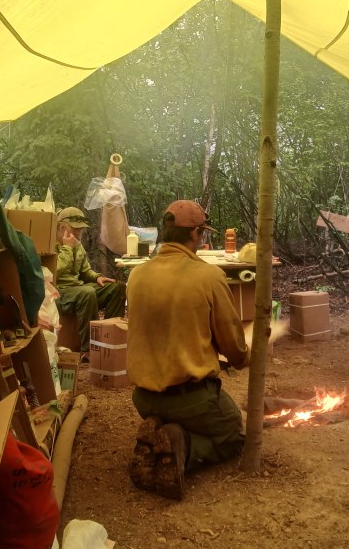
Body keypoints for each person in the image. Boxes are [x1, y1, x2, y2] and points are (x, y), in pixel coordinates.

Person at [125, 200, 250, 500]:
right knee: (235, 437)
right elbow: (233, 349)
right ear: (195, 234)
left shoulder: (136, 276)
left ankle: (158, 435)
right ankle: (182, 446)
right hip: (192, 400)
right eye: (202, 234)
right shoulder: (207, 276)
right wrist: (245, 356)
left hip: (143, 398)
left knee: (181, 416)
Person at [55, 207, 126, 353]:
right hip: (59, 292)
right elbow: (55, 271)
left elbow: (84, 271)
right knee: (87, 293)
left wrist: (96, 277)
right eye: (75, 229)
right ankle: (91, 349)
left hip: (78, 290)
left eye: (80, 229)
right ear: (62, 227)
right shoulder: (50, 244)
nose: (78, 233)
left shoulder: (77, 244)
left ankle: (110, 338)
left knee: (117, 287)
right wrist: (68, 248)